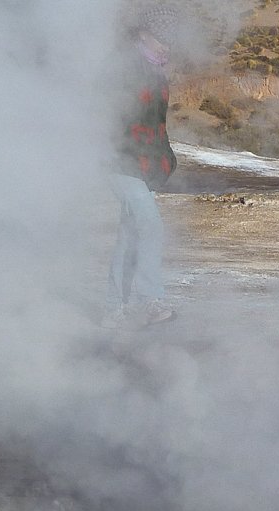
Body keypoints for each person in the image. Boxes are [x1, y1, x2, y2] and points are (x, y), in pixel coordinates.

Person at [102, 6, 180, 330]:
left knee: (130, 236)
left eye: (171, 40)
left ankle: (114, 310)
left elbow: (155, 125)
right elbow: (103, 114)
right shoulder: (122, 66)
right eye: (162, 39)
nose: (167, 46)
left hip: (143, 164)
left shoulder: (156, 72)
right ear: (144, 35)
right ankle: (150, 300)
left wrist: (166, 157)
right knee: (150, 225)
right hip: (119, 160)